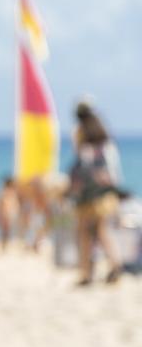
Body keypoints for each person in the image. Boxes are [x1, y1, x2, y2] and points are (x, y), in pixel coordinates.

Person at [68, 100, 124, 284]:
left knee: (84, 232)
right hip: (107, 193)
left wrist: (71, 188)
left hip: (89, 194)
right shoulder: (105, 139)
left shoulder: (82, 136)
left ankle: (86, 272)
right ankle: (115, 263)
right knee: (102, 231)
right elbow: (114, 171)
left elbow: (80, 167)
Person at [0, 175, 20, 250]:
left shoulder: (8, 192)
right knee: (5, 232)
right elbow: (0, 205)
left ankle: (2, 246)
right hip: (4, 215)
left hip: (7, 215)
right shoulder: (5, 193)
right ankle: (2, 247)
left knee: (5, 232)